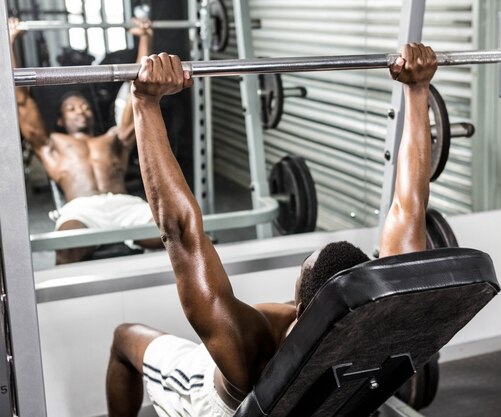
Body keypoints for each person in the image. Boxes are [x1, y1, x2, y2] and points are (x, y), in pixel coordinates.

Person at [105, 43, 436, 417]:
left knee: (124, 339)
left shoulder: (254, 347)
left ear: (302, 308)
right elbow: (410, 206)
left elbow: (180, 234)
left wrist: (145, 102)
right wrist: (417, 89)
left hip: (211, 403)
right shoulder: (385, 315)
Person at [9, 17, 162, 264]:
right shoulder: (51, 145)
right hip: (82, 211)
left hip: (124, 206)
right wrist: (9, 41)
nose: (80, 111)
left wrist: (145, 37)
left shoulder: (113, 138)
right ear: (60, 119)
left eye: (84, 107)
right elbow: (22, 102)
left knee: (177, 236)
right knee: (67, 250)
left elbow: (139, 95)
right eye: (71, 109)